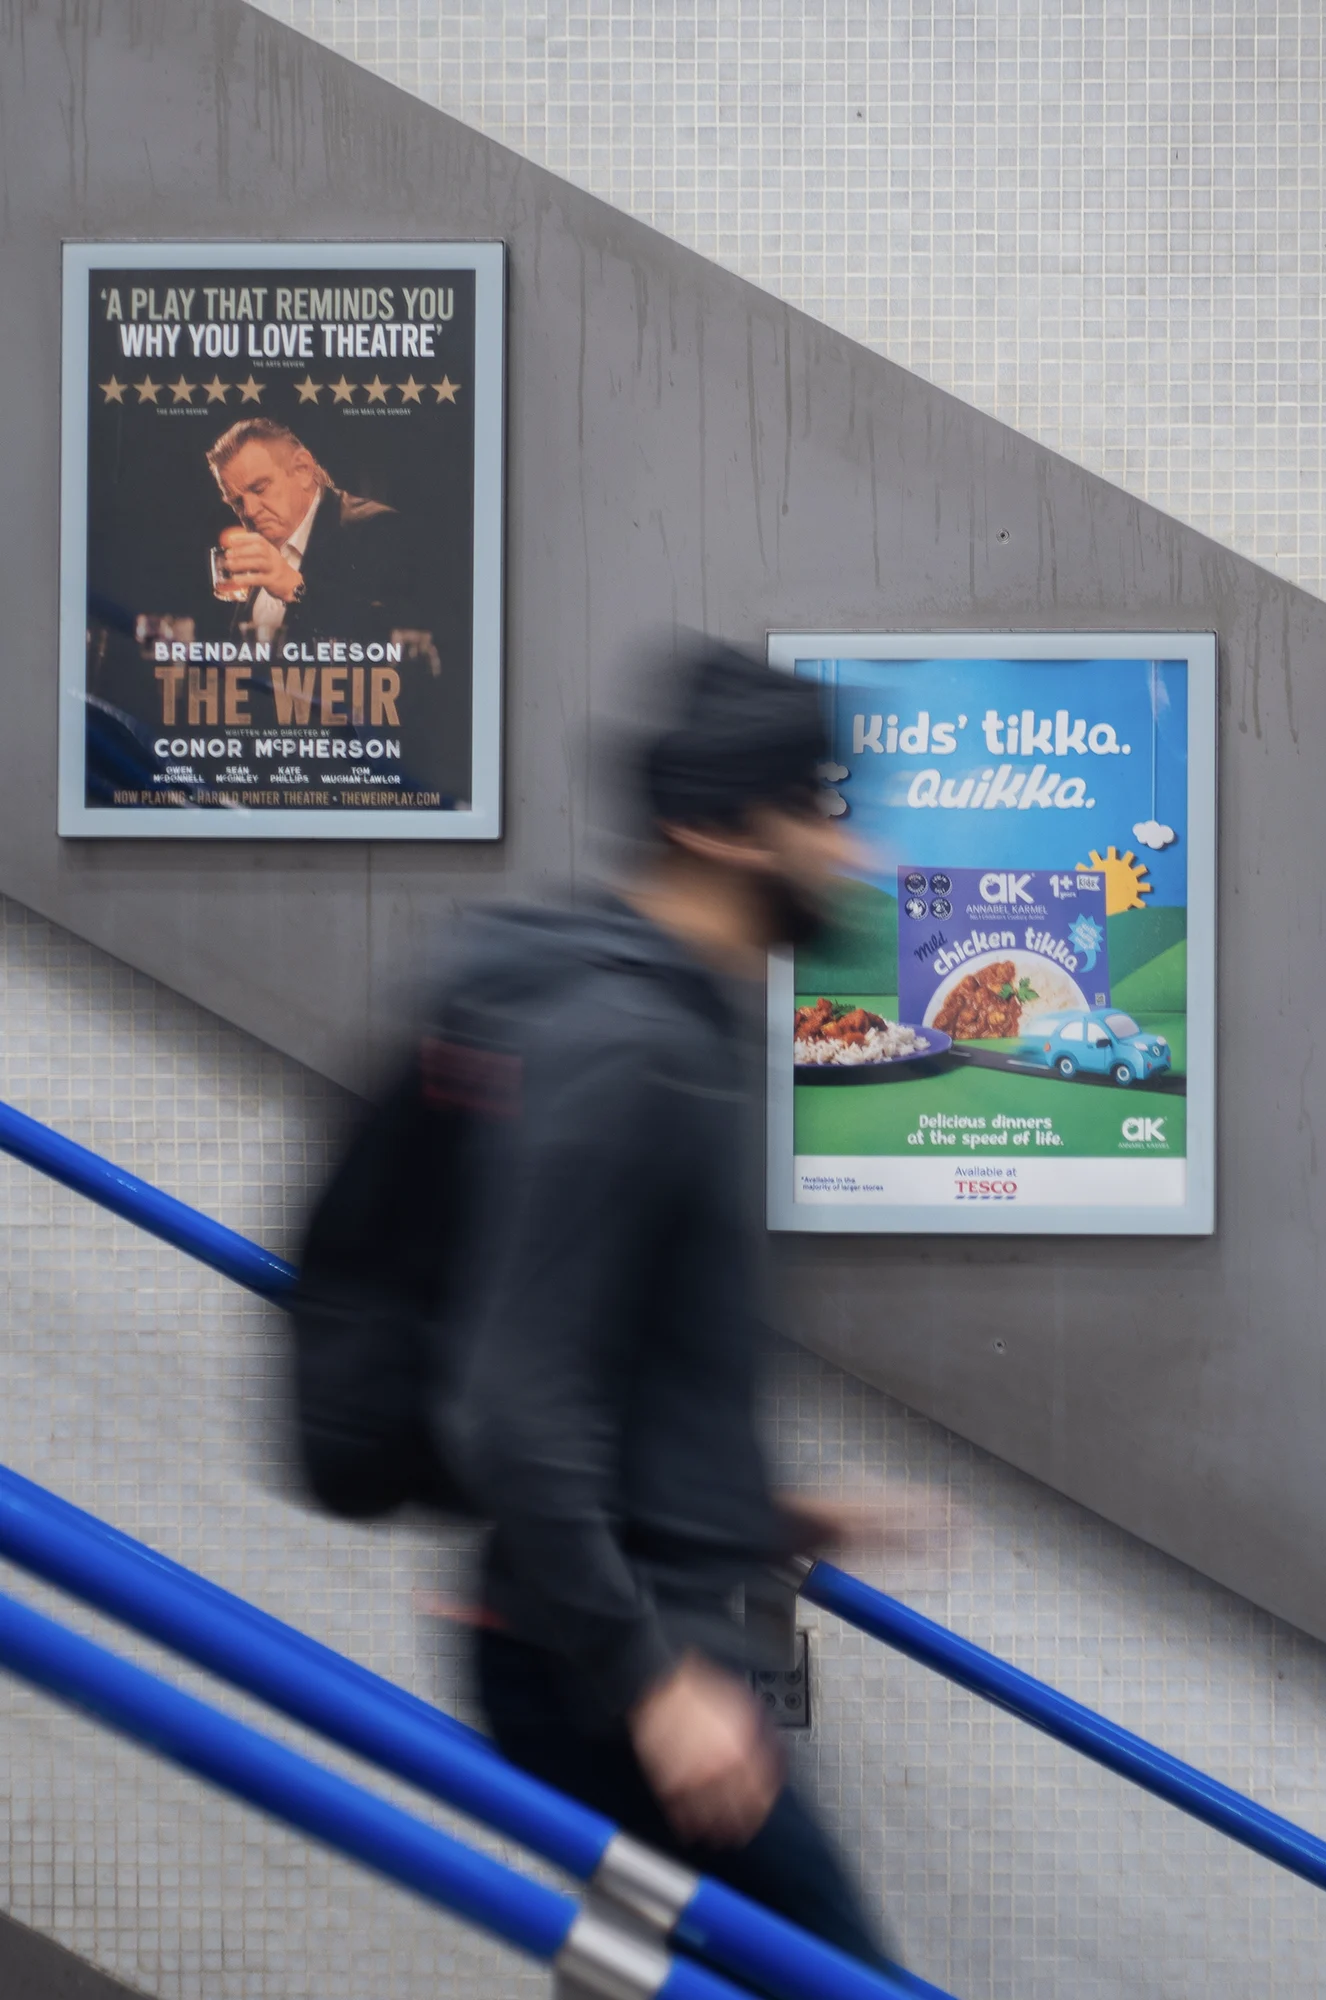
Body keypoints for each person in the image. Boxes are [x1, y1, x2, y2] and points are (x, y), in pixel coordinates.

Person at [424, 645, 892, 1965]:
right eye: (817, 811)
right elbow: (510, 1400)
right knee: (837, 1975)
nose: (844, 853)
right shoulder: (631, 1051)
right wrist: (652, 1684)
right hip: (598, 1657)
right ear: (714, 826)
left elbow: (624, 1354)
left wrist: (760, 1509)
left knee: (655, 1972)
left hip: (643, 1627)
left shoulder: (692, 1035)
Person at [203, 418, 416, 650]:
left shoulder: (376, 527)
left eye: (260, 488)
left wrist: (295, 588)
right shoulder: (259, 549)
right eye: (236, 502)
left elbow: (392, 638)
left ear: (303, 469)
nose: (250, 511)